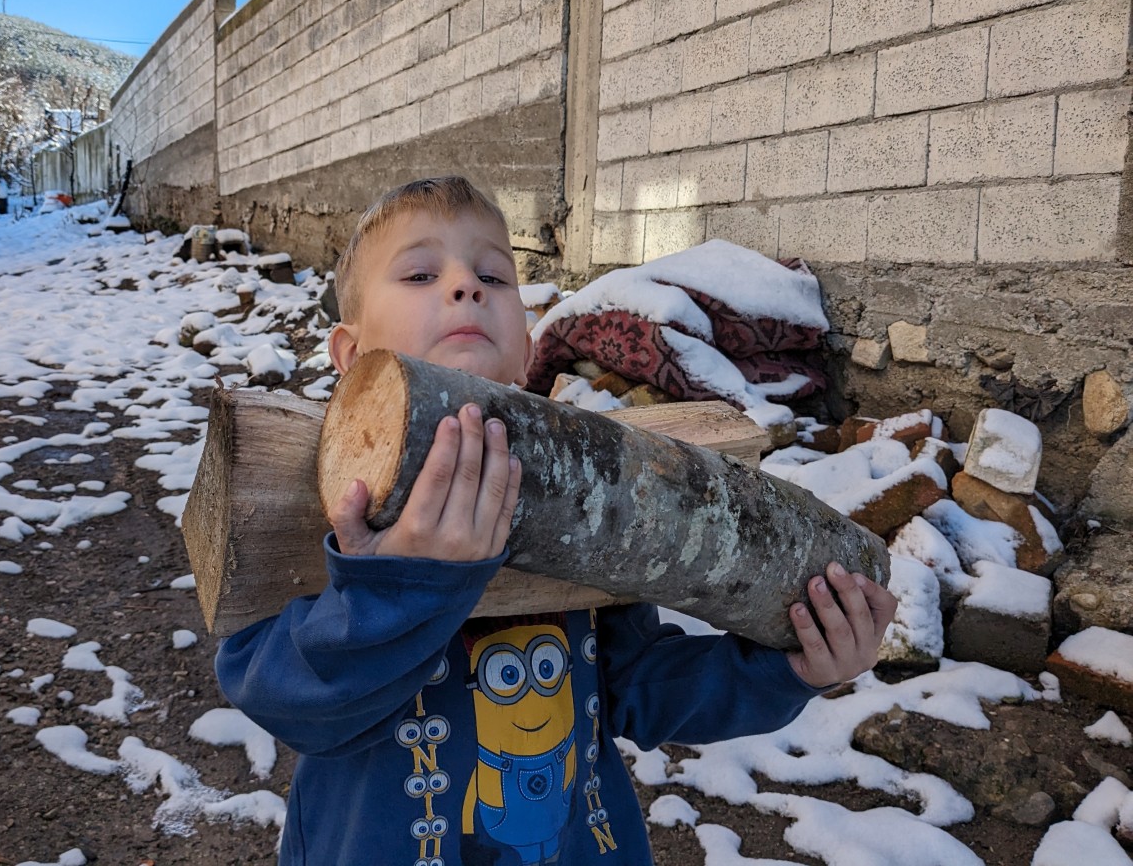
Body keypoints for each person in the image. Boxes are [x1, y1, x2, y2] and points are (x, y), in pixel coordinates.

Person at [216, 175, 898, 866]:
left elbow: (639, 687)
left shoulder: (585, 500)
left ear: (524, 351)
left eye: (492, 275)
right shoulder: (326, 505)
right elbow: (290, 704)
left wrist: (789, 670)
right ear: (350, 355)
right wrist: (393, 587)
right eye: (420, 274)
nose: (465, 285)